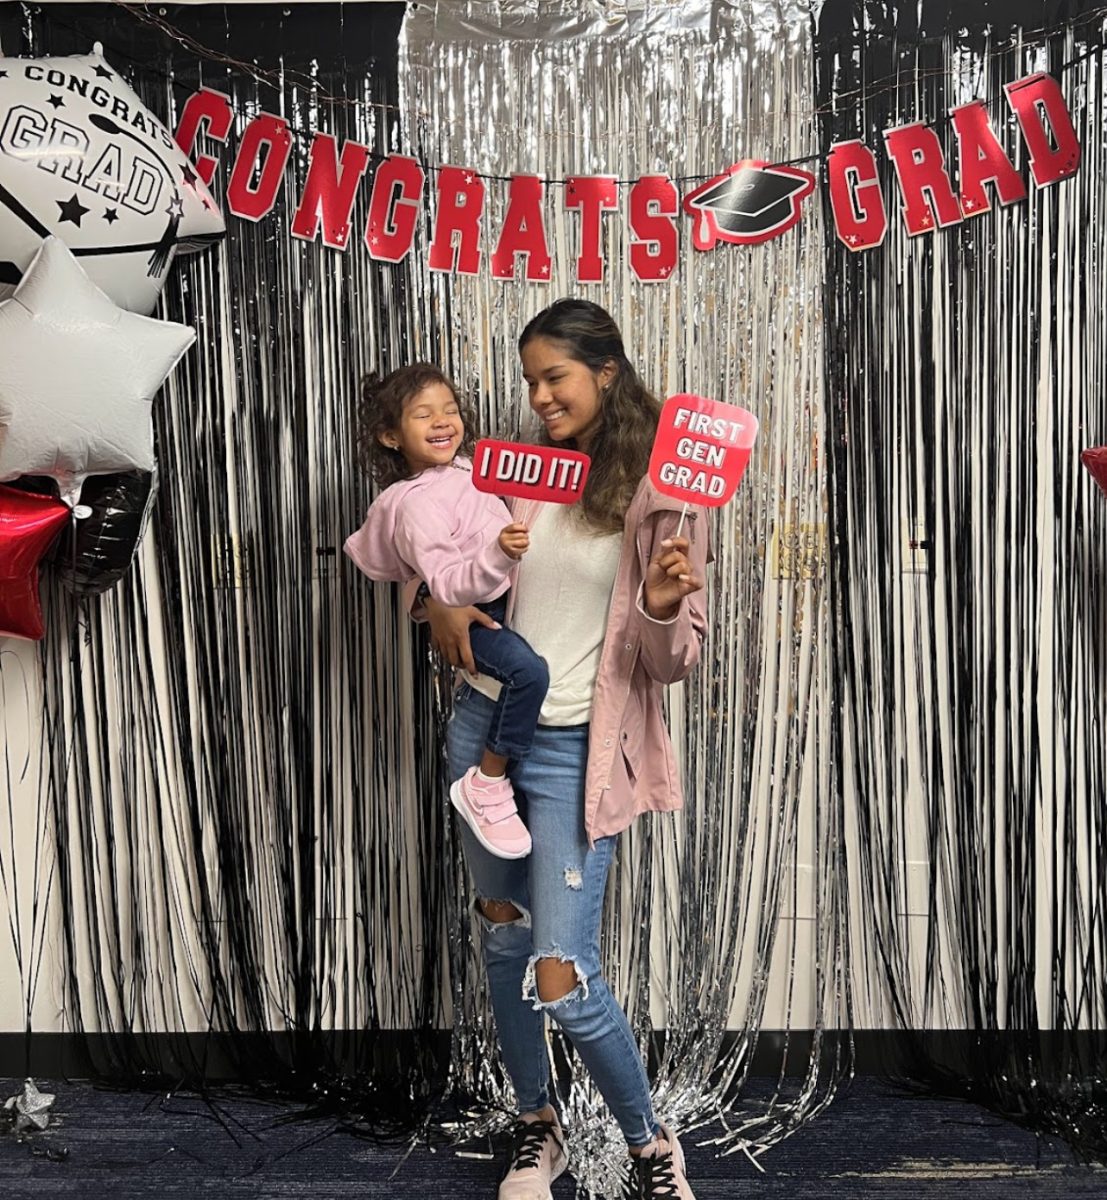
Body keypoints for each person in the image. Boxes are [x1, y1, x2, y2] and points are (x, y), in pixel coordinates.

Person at [413, 300, 711, 1200]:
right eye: (531, 379)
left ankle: (650, 1146)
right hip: (485, 734)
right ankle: (536, 1129)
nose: (540, 397)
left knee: (563, 975)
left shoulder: (664, 490)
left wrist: (663, 601)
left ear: (607, 373)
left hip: (579, 756)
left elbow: (676, 658)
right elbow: (447, 576)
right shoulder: (509, 470)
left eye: (558, 379)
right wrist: (442, 608)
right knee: (505, 950)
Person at [344, 363, 550, 860]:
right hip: (475, 608)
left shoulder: (471, 468)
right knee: (528, 674)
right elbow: (449, 587)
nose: (442, 421)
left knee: (527, 673)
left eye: (450, 410)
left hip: (500, 600)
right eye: (423, 415)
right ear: (391, 437)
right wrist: (499, 553)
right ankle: (488, 780)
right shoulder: (413, 506)